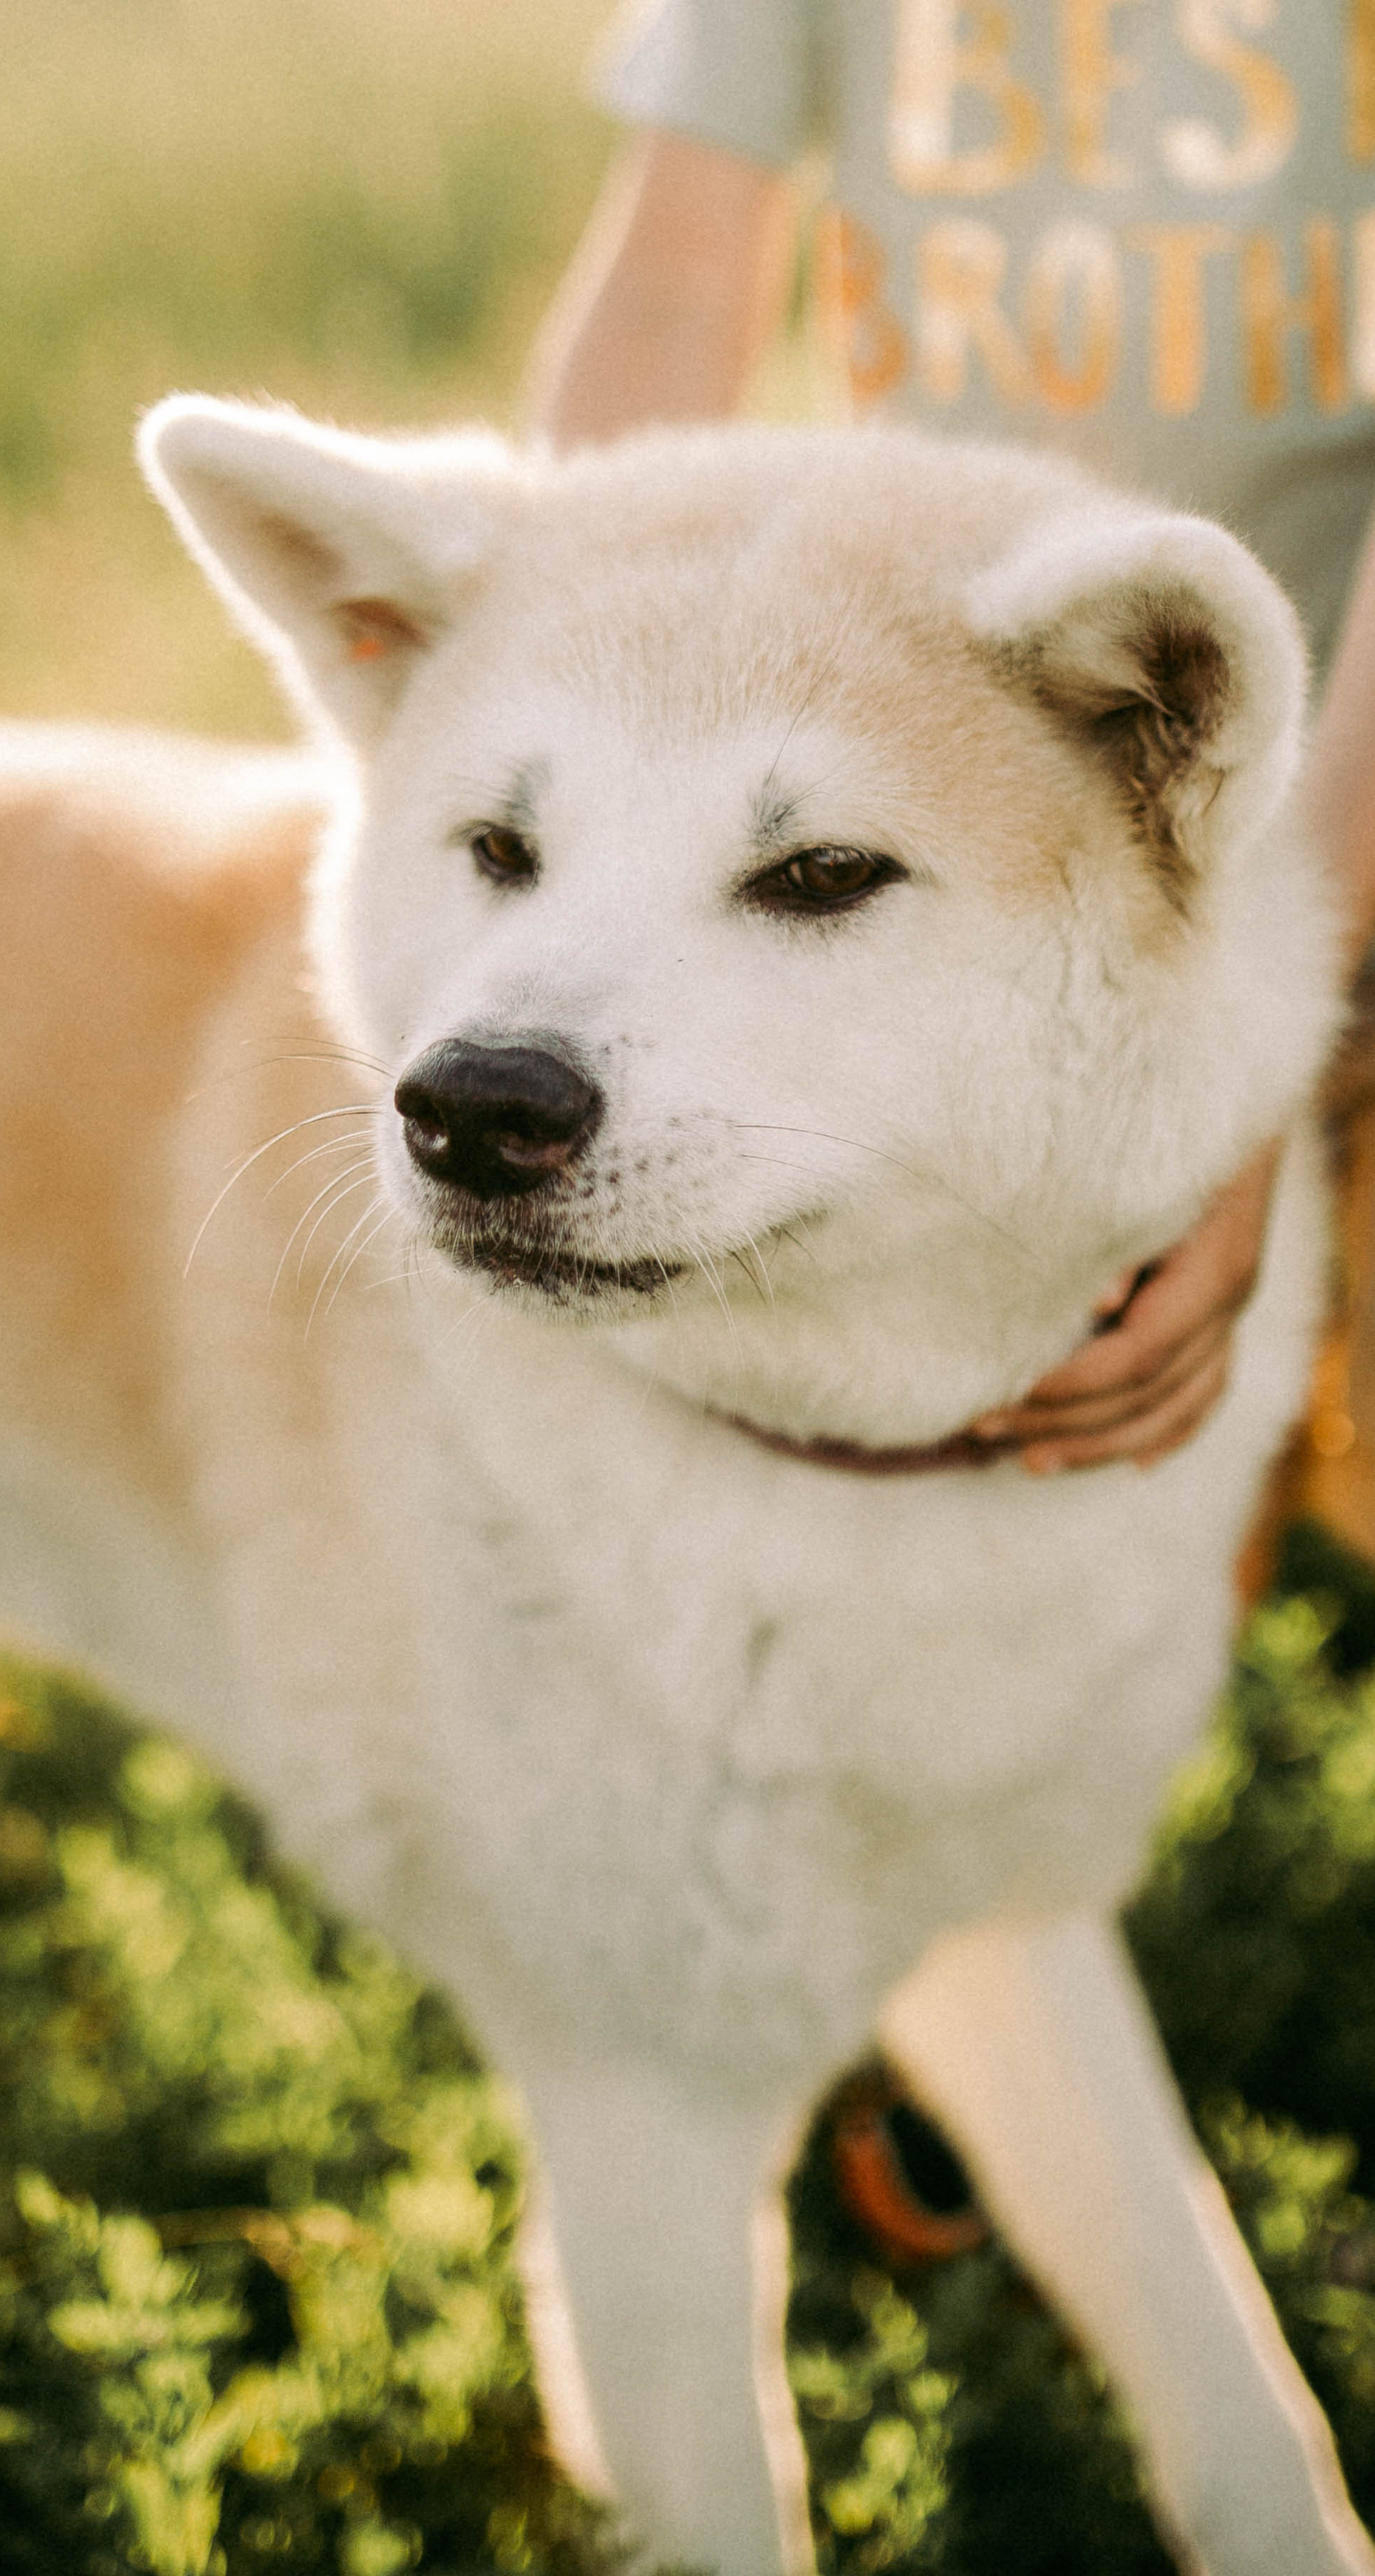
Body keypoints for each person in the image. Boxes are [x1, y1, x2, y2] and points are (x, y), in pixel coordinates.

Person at [526, 1, 1375, 1489]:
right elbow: (671, 289)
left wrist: (1247, 1063)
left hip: (1321, 790)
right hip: (988, 818)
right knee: (1066, 1420)